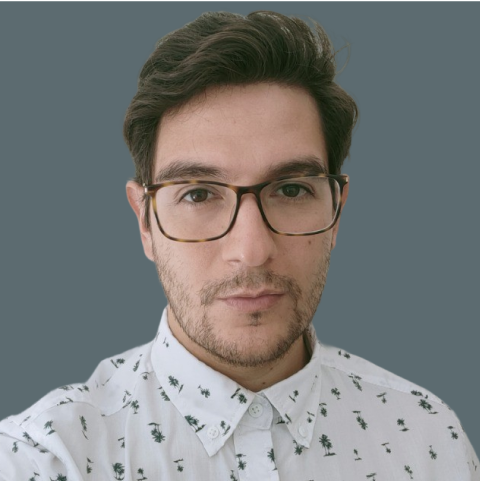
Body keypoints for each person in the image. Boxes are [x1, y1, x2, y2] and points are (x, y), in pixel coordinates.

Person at [0, 9, 478, 480]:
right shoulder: (43, 461)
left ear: (336, 212)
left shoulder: (430, 440)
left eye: (291, 189)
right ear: (145, 221)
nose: (251, 251)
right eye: (198, 194)